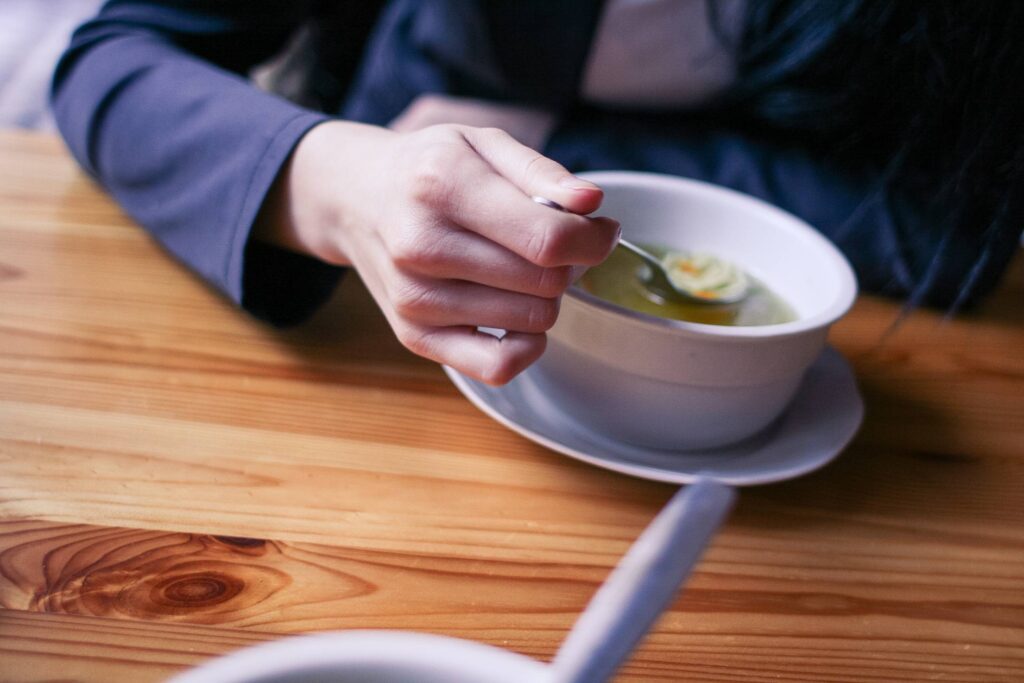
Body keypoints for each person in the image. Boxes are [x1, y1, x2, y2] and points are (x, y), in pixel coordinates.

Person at [52, 1, 1023, 385]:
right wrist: (342, 183)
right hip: (384, 355)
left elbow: (954, 223)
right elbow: (108, 62)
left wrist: (545, 140)